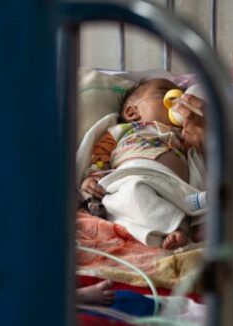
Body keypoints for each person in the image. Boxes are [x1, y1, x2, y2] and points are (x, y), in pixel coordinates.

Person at [80, 78, 209, 250]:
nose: (178, 100)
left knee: (202, 185)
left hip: (174, 185)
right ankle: (177, 227)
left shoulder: (184, 133)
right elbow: (100, 154)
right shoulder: (123, 130)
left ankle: (197, 221)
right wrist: (93, 177)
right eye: (165, 93)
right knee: (131, 194)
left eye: (181, 95)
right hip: (132, 176)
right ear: (132, 112)